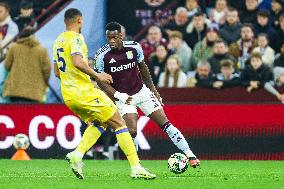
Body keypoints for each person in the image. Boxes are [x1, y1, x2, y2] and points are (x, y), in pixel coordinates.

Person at [53, 9, 155, 180]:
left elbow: (57, 72)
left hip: (69, 95)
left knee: (101, 123)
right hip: (83, 92)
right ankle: (136, 167)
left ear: (65, 21)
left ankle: (77, 155)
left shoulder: (58, 41)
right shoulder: (76, 38)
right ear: (79, 20)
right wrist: (96, 75)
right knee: (119, 123)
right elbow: (78, 62)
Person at [94, 22, 200, 168]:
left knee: (165, 123)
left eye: (114, 37)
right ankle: (137, 166)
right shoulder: (102, 56)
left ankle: (190, 155)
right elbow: (100, 81)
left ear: (121, 35)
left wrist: (154, 91)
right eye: (108, 38)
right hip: (124, 98)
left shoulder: (134, 47)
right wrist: (118, 95)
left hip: (141, 92)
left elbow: (143, 69)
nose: (111, 40)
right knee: (131, 131)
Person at [3, 27, 50, 103]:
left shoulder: (14, 48)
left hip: (16, 90)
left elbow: (6, 65)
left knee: (18, 114)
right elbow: (47, 70)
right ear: (34, 36)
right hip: (35, 92)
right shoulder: (41, 50)